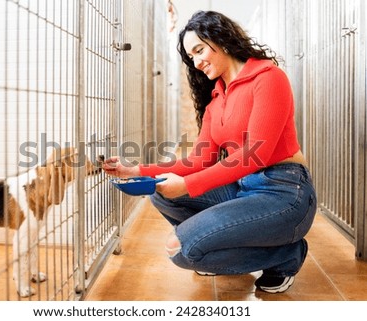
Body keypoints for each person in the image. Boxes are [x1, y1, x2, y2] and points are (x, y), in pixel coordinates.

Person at [103, 10, 317, 294]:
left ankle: (285, 256)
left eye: (200, 50)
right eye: (191, 56)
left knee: (182, 250)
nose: (196, 61)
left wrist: (188, 186)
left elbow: (256, 154)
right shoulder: (216, 101)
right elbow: (198, 160)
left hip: (284, 190)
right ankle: (218, 246)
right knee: (159, 190)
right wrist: (136, 170)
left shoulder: (268, 77)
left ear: (222, 40)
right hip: (243, 188)